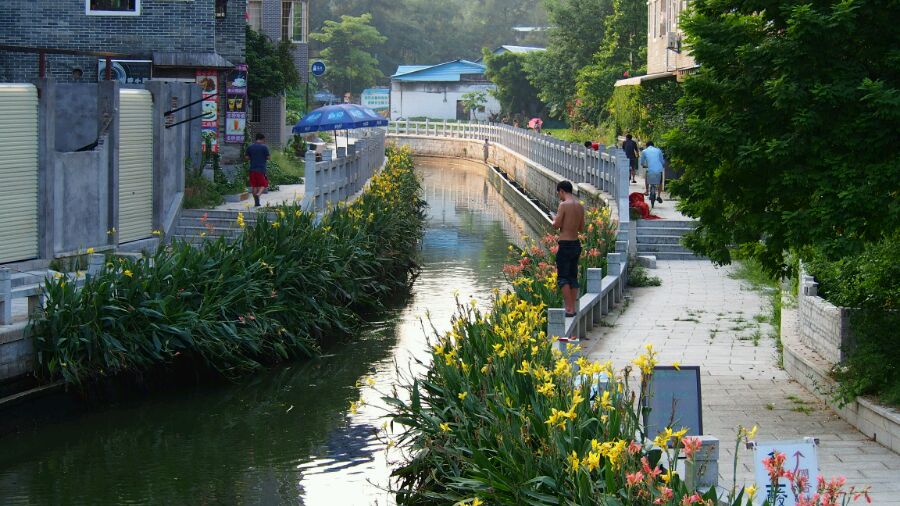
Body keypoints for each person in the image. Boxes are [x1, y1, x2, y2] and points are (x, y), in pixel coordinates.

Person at [551, 181, 585, 318]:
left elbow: (556, 225)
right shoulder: (580, 206)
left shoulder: (563, 205)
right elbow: (581, 228)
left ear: (562, 191)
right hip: (576, 244)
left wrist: (554, 219)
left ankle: (569, 309)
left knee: (563, 277)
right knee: (573, 276)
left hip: (565, 244)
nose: (559, 196)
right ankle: (573, 307)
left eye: (558, 193)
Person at [245, 133, 270, 207]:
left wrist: (253, 157)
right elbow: (268, 157)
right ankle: (258, 194)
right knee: (264, 184)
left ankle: (256, 202)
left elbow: (246, 157)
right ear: (262, 139)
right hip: (261, 169)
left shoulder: (250, 147)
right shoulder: (264, 147)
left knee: (254, 186)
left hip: (252, 169)